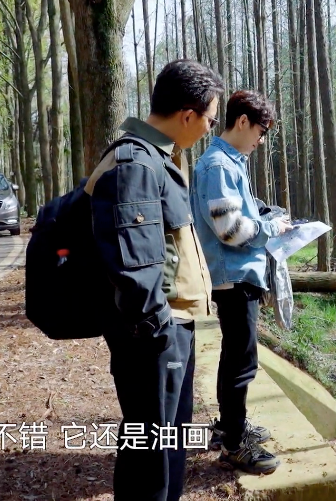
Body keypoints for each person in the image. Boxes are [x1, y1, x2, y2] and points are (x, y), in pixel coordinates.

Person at [86, 59, 224, 501]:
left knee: (164, 442)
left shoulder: (156, 159)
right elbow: (135, 264)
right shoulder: (137, 164)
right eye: (210, 119)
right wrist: (159, 331)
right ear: (188, 114)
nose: (209, 128)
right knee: (154, 452)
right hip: (153, 334)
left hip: (165, 328)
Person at [190, 90, 292, 475]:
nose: (261, 140)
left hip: (239, 275)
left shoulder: (231, 162)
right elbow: (230, 230)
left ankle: (229, 426)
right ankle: (234, 445)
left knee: (235, 355)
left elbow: (238, 213)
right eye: (261, 131)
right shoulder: (218, 165)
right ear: (243, 122)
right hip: (233, 277)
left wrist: (266, 215)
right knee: (241, 362)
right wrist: (271, 228)